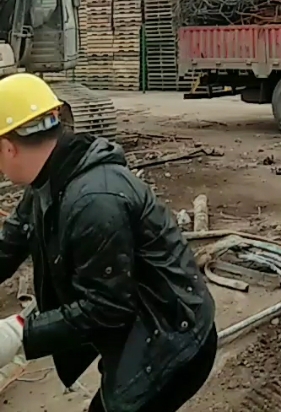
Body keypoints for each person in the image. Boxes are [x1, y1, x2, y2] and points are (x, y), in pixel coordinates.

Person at [0, 73, 217, 412]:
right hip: (140, 327)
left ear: (8, 146)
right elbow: (9, 244)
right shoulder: (49, 178)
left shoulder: (94, 201)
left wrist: (19, 335)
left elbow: (106, 308)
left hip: (172, 343)